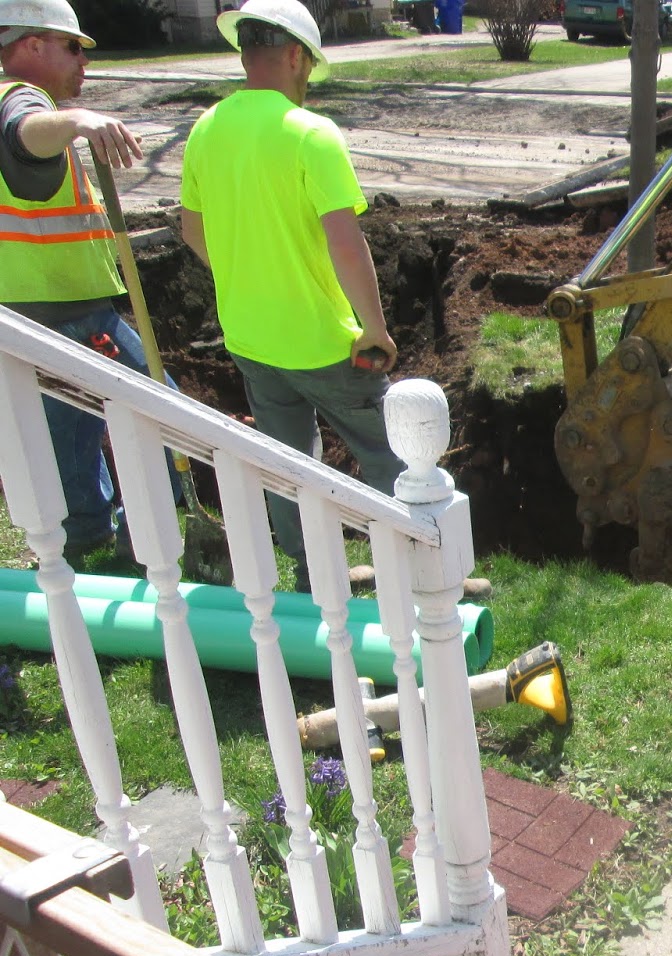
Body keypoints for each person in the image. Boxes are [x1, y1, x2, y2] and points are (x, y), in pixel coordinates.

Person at [179, 0, 405, 594]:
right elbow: (347, 246)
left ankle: (314, 578)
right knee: (392, 456)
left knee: (288, 465)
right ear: (295, 55)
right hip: (323, 340)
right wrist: (374, 327)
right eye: (309, 68)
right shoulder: (311, 134)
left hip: (251, 337)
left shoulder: (206, 129)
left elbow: (191, 229)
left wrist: (245, 273)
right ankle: (415, 573)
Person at [0, 0, 180, 558]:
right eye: (73, 46)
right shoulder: (20, 99)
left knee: (70, 430)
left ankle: (90, 534)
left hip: (42, 311)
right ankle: (149, 531)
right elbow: (24, 134)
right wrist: (79, 120)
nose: (84, 61)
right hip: (60, 312)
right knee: (167, 416)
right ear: (32, 45)